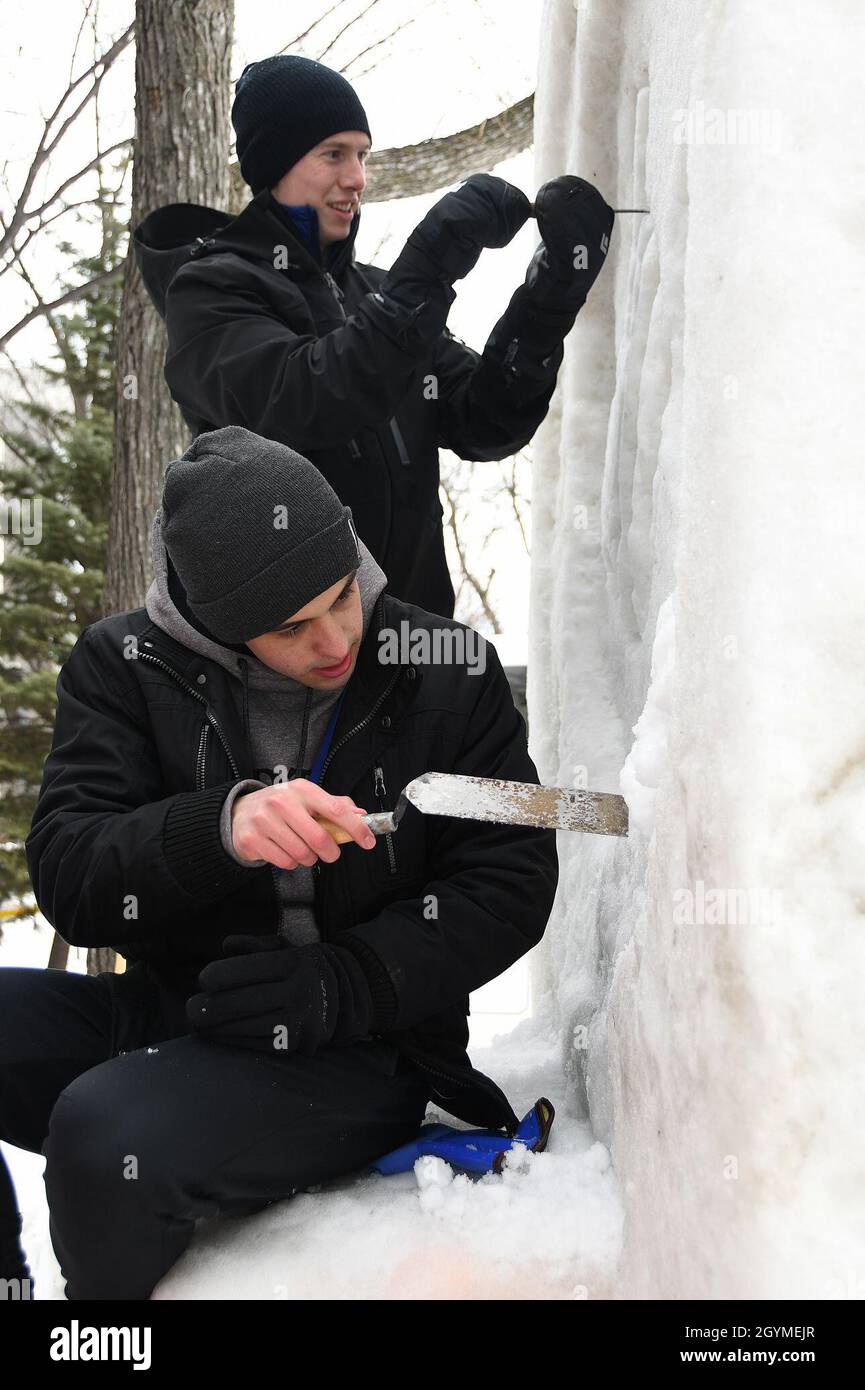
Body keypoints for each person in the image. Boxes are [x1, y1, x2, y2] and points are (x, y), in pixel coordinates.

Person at [0, 425, 558, 1300]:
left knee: (104, 1139)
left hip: (366, 1049)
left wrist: (346, 982)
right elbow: (71, 873)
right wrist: (216, 830)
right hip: (176, 1010)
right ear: (213, 626)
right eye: (290, 627)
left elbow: (510, 878)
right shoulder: (122, 667)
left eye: (343, 595)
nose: (335, 639)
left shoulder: (445, 669)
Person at [133, 53, 615, 617]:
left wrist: (552, 292)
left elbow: (485, 421)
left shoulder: (378, 294)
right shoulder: (210, 293)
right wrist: (429, 266)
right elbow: (306, 401)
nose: (356, 178)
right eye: (332, 154)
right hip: (294, 662)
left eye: (361, 154)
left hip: (414, 644)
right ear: (274, 166)